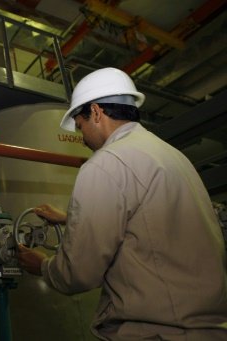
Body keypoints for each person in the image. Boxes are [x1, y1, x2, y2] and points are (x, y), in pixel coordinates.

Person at [17, 67, 227, 340]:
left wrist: (43, 266)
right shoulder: (172, 156)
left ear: (95, 112)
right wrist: (72, 219)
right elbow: (153, 219)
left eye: (80, 126)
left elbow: (78, 273)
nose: (82, 139)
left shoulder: (106, 163)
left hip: (155, 331)